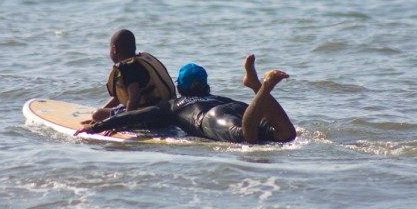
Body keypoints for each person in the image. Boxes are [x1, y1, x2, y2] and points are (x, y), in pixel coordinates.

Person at [78, 55, 297, 144]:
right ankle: (255, 85)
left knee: (245, 137)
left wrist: (97, 127)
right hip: (234, 106)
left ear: (180, 87)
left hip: (211, 117)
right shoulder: (216, 95)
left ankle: (264, 86)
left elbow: (134, 114)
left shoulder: (173, 105)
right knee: (286, 134)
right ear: (205, 84)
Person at [90, 29, 176, 122]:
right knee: (99, 113)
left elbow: (134, 99)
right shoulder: (138, 63)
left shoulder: (127, 69)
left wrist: (121, 123)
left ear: (114, 50)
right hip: (164, 111)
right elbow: (119, 98)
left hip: (146, 116)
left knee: (96, 114)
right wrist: (103, 109)